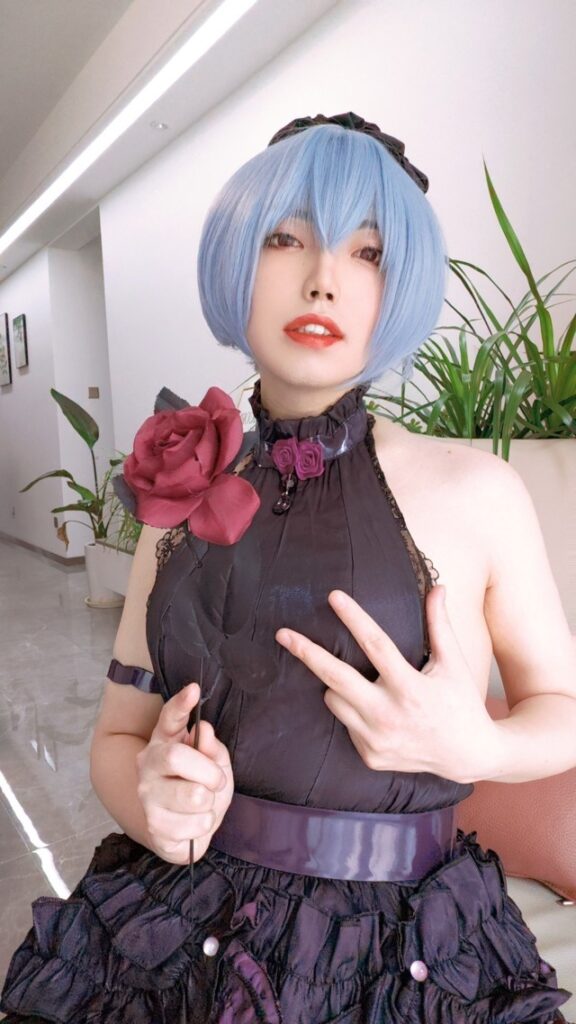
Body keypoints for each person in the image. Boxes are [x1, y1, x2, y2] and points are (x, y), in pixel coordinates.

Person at [1, 111, 575, 1024]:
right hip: (187, 920)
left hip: (409, 948)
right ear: (237, 257)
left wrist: (481, 749)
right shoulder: (180, 495)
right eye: (285, 239)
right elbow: (118, 738)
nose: (323, 279)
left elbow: (565, 710)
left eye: (368, 252)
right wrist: (154, 805)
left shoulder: (480, 492)